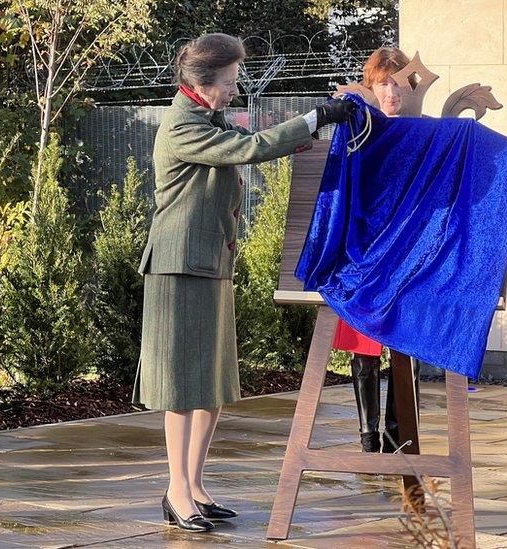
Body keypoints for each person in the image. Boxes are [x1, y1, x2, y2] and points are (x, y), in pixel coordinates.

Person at [133, 33, 354, 532]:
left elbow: (248, 144)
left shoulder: (203, 118)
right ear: (203, 82)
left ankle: (194, 486)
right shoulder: (181, 126)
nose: (236, 89)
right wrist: (315, 119)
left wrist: (318, 124)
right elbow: (251, 148)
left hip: (209, 262)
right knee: (181, 386)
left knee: (211, 383)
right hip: (178, 266)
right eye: (231, 81)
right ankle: (175, 491)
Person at [334, 46, 421, 455]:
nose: (391, 91)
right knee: (364, 349)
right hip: (364, 257)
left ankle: (397, 434)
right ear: (370, 87)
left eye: (396, 81)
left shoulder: (423, 134)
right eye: (382, 83)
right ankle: (369, 438)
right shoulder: (359, 131)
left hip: (407, 257)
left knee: (407, 350)